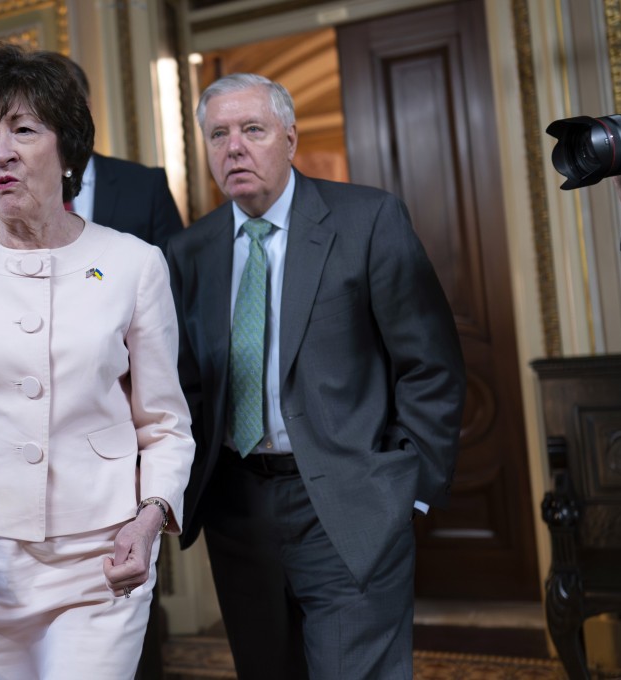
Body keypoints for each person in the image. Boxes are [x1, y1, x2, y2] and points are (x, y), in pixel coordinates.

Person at [0, 43, 194, 679]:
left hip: (103, 556)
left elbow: (164, 423)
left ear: (68, 152)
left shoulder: (134, 263)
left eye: (23, 130)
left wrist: (147, 524)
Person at [166, 73, 466, 679]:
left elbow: (430, 365)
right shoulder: (187, 252)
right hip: (236, 509)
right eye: (218, 134)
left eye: (253, 129)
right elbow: (187, 385)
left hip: (350, 502)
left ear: (290, 138)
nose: (235, 148)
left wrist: (405, 488)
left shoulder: (368, 219)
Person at [0, 52, 184, 252]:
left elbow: (172, 274)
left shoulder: (147, 186)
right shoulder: (1, 193)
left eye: (24, 129)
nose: (2, 154)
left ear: (82, 111)